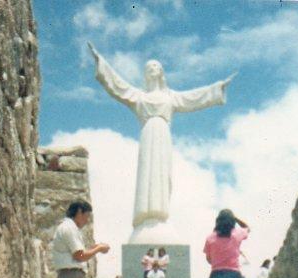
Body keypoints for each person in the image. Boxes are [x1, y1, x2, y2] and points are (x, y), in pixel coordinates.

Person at [88, 42, 236, 241]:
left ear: (161, 72)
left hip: (163, 136)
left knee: (162, 175)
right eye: (148, 68)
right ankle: (145, 218)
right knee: (147, 175)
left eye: (155, 67)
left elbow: (194, 98)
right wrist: (102, 64)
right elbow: (118, 86)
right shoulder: (138, 97)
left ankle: (159, 216)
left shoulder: (170, 97)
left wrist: (217, 88)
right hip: (148, 135)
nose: (151, 70)